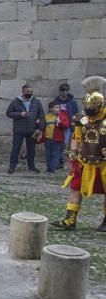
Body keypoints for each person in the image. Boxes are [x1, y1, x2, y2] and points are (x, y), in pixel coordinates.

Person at [52, 76, 106, 232]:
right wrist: (73, 153)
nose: (90, 113)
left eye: (93, 109)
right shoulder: (81, 119)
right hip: (84, 160)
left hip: (104, 163)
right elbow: (77, 138)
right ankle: (70, 219)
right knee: (75, 187)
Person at [5, 83, 44, 174]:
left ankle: (31, 166)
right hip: (19, 129)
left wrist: (40, 128)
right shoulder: (16, 101)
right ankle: (12, 166)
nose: (29, 93)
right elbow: (8, 113)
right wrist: (20, 114)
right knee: (16, 148)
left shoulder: (36, 102)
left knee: (31, 149)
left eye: (31, 91)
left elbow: (41, 115)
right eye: (27, 91)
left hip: (32, 129)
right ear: (23, 92)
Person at [54, 83, 80, 169]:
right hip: (57, 126)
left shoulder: (72, 102)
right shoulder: (56, 101)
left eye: (66, 91)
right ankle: (58, 161)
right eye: (63, 91)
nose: (65, 92)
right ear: (60, 91)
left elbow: (76, 114)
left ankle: (61, 162)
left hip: (67, 126)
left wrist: (75, 122)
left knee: (64, 144)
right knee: (57, 144)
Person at [43, 100, 70, 175]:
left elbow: (67, 125)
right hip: (48, 139)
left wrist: (60, 122)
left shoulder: (62, 116)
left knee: (55, 155)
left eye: (59, 107)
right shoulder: (46, 116)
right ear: (51, 109)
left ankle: (52, 170)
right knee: (48, 155)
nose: (58, 109)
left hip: (58, 140)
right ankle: (48, 168)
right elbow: (43, 127)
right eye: (56, 107)